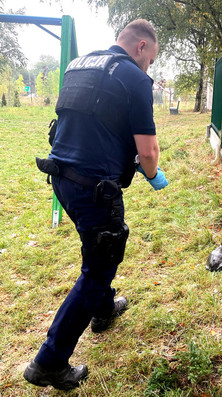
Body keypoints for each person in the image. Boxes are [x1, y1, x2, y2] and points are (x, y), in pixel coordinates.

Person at [24, 19, 168, 390]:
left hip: (61, 179)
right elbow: (147, 151)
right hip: (94, 189)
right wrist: (153, 174)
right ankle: (49, 362)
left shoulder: (79, 65)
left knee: (96, 247)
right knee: (100, 264)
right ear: (141, 48)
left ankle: (103, 308)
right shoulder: (136, 79)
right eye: (150, 59)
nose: (148, 67)